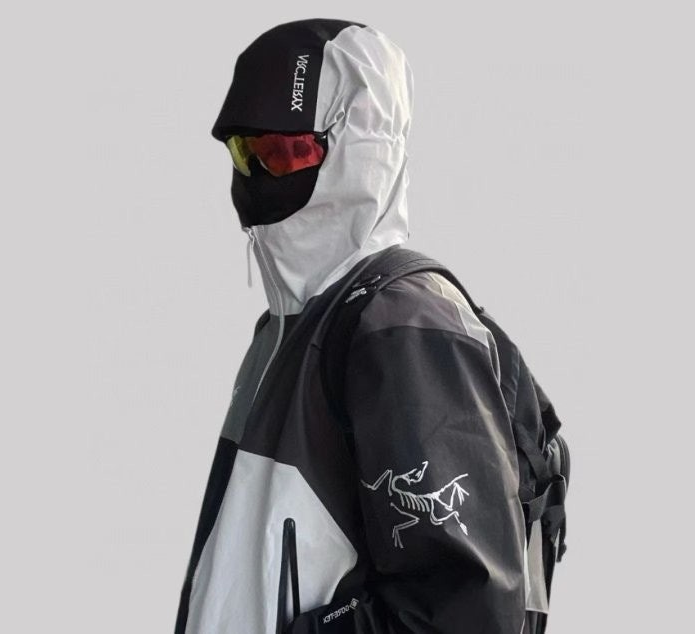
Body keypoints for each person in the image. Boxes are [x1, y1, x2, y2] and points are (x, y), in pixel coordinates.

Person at [175, 18, 527, 634]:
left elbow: (464, 612)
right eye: (248, 153)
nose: (258, 176)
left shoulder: (403, 325)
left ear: (360, 147)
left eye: (288, 151)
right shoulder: (284, 330)